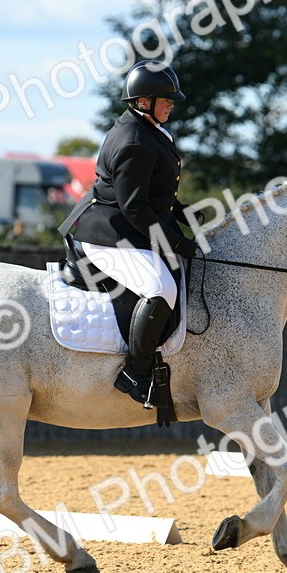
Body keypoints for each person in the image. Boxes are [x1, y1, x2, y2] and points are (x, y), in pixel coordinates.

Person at [57, 60, 199, 406]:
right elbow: (135, 207)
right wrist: (174, 241)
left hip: (124, 224)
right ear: (142, 101)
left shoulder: (148, 129)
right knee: (160, 288)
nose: (171, 106)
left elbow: (155, 192)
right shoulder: (135, 140)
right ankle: (136, 373)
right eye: (165, 100)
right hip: (106, 233)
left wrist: (186, 218)